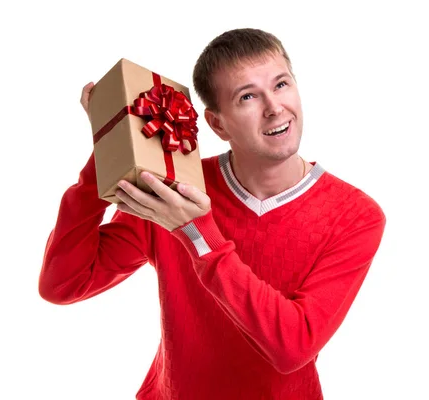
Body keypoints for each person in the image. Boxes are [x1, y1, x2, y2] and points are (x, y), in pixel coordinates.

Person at [39, 28, 386, 400]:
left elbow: (293, 347)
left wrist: (196, 232)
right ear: (218, 124)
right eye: (248, 96)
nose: (274, 107)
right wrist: (110, 150)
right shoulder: (174, 192)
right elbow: (64, 284)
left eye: (281, 85)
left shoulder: (355, 215)